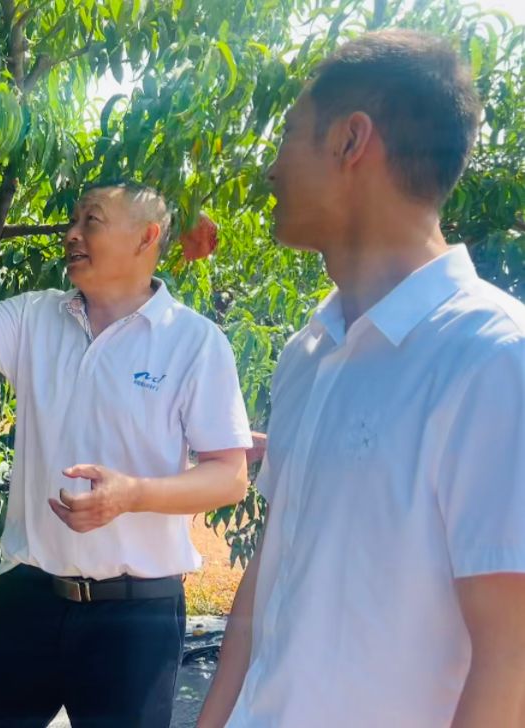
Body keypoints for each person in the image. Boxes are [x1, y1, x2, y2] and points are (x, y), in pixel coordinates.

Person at [197, 30, 525, 728]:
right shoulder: (308, 352)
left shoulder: (493, 358)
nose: (271, 169)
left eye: (288, 135)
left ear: (351, 142)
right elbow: (266, 582)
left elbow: (512, 660)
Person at [0, 181, 254, 727]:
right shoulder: (35, 318)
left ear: (147, 237)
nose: (71, 234)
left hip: (134, 614)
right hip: (28, 597)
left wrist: (134, 496)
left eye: (91, 220)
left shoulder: (194, 342)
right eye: (73, 221)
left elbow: (228, 477)